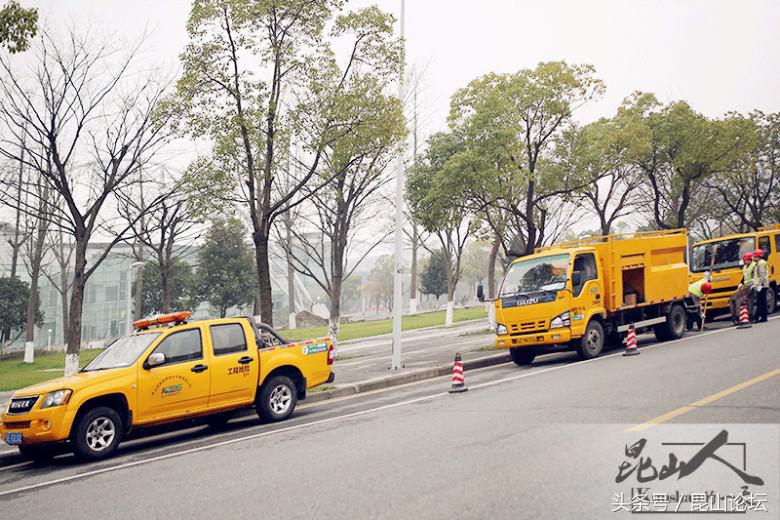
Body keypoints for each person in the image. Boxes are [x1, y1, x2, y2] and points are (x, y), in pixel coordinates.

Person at [730, 252, 755, 321]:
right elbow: (744, 276)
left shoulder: (753, 266)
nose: (744, 261)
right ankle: (734, 316)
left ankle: (738, 316)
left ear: (749, 260)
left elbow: (756, 276)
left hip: (750, 285)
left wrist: (753, 284)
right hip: (745, 285)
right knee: (732, 298)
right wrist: (741, 283)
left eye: (745, 260)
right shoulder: (745, 267)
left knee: (738, 298)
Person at [752, 249, 769, 323]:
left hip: (762, 285)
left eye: (755, 256)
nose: (753, 258)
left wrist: (760, 284)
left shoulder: (761, 263)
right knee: (762, 302)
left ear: (758, 256)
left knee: (760, 302)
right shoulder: (759, 263)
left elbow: (762, 275)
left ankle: (758, 317)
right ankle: (763, 317)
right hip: (761, 285)